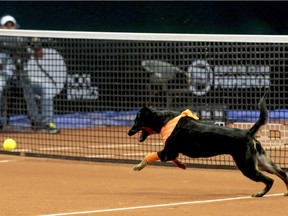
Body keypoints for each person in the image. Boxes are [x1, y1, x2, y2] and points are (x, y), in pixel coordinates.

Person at [0, 15, 60, 133]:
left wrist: (36, 43)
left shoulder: (23, 38)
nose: (9, 27)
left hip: (22, 77)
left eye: (11, 25)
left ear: (16, 26)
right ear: (1, 26)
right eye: (6, 25)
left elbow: (40, 55)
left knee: (46, 88)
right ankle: (1, 122)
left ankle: (46, 123)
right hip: (2, 76)